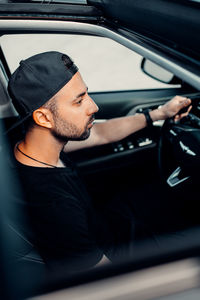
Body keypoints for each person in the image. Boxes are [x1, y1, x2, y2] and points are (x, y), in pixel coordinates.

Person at [7, 51, 192, 273]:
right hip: (117, 256)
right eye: (79, 101)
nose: (93, 107)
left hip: (109, 223)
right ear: (44, 118)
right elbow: (101, 276)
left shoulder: (31, 143)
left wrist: (157, 114)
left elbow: (100, 134)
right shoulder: (52, 204)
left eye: (87, 94)